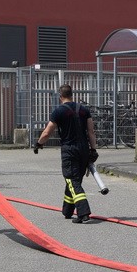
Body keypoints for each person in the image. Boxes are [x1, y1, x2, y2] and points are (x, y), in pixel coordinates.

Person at [34, 84, 99, 223]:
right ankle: (68, 210)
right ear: (71, 94)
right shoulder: (84, 110)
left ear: (60, 96)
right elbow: (91, 132)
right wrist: (93, 150)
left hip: (69, 149)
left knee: (72, 179)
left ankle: (83, 213)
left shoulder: (59, 112)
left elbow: (47, 132)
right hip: (84, 149)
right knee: (75, 179)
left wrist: (39, 144)